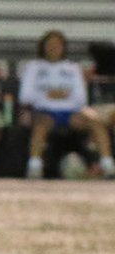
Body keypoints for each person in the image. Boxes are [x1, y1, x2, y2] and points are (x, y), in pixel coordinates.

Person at [19, 30, 114, 179]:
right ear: (43, 46)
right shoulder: (33, 68)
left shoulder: (73, 68)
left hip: (70, 112)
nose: (53, 48)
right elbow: (25, 97)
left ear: (63, 47)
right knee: (40, 125)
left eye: (57, 45)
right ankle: (35, 167)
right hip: (44, 112)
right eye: (50, 44)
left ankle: (108, 165)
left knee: (95, 121)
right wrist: (47, 96)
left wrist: (59, 97)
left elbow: (80, 98)